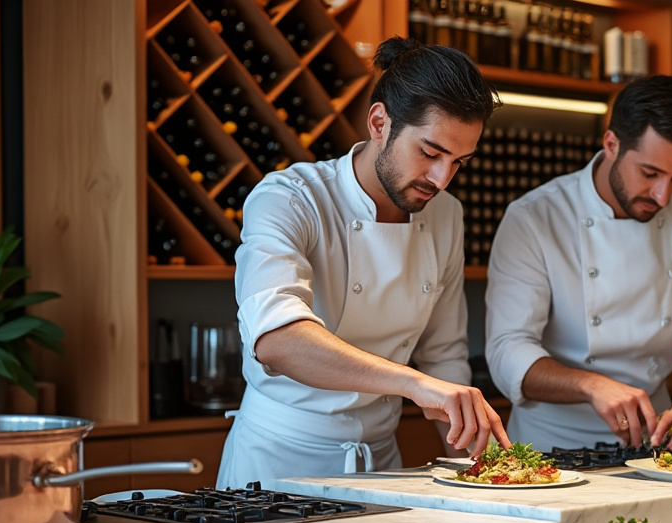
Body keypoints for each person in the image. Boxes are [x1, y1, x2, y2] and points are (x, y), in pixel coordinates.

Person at [217, 38, 509, 488]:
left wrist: (484, 472)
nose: (441, 178)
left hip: (382, 466)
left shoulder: (447, 215)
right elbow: (277, 338)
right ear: (379, 122)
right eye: (430, 153)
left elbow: (443, 356)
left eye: (459, 162)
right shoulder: (291, 199)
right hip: (276, 468)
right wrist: (412, 384)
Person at [484, 75, 672, 452]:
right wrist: (591, 384)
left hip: (654, 443)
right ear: (611, 144)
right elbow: (508, 350)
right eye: (650, 173)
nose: (662, 196)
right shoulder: (535, 218)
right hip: (549, 448)